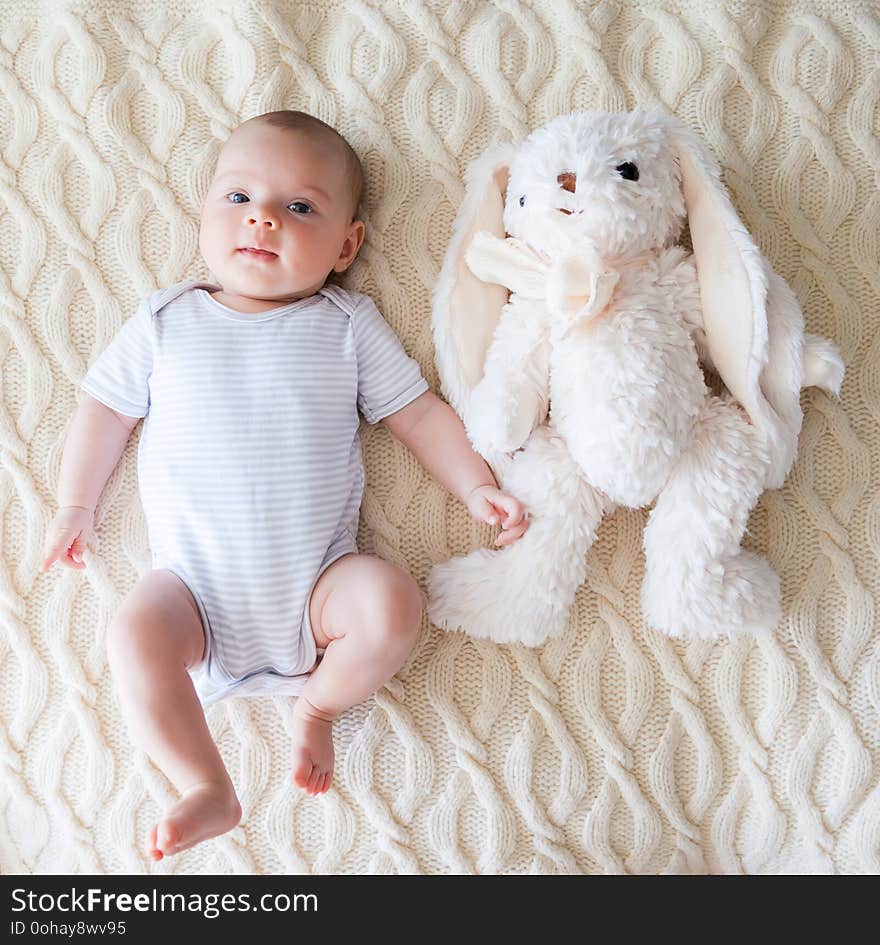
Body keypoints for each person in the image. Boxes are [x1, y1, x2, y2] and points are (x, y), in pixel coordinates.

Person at [39, 111, 529, 862]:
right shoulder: (165, 321)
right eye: (238, 198)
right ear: (203, 217)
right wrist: (75, 503)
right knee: (133, 633)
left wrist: (474, 486)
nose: (262, 217)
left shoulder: (346, 324)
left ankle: (319, 703)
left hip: (318, 595)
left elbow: (418, 413)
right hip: (191, 598)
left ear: (347, 245)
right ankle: (205, 782)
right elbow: (103, 410)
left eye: (299, 207)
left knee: (393, 600)